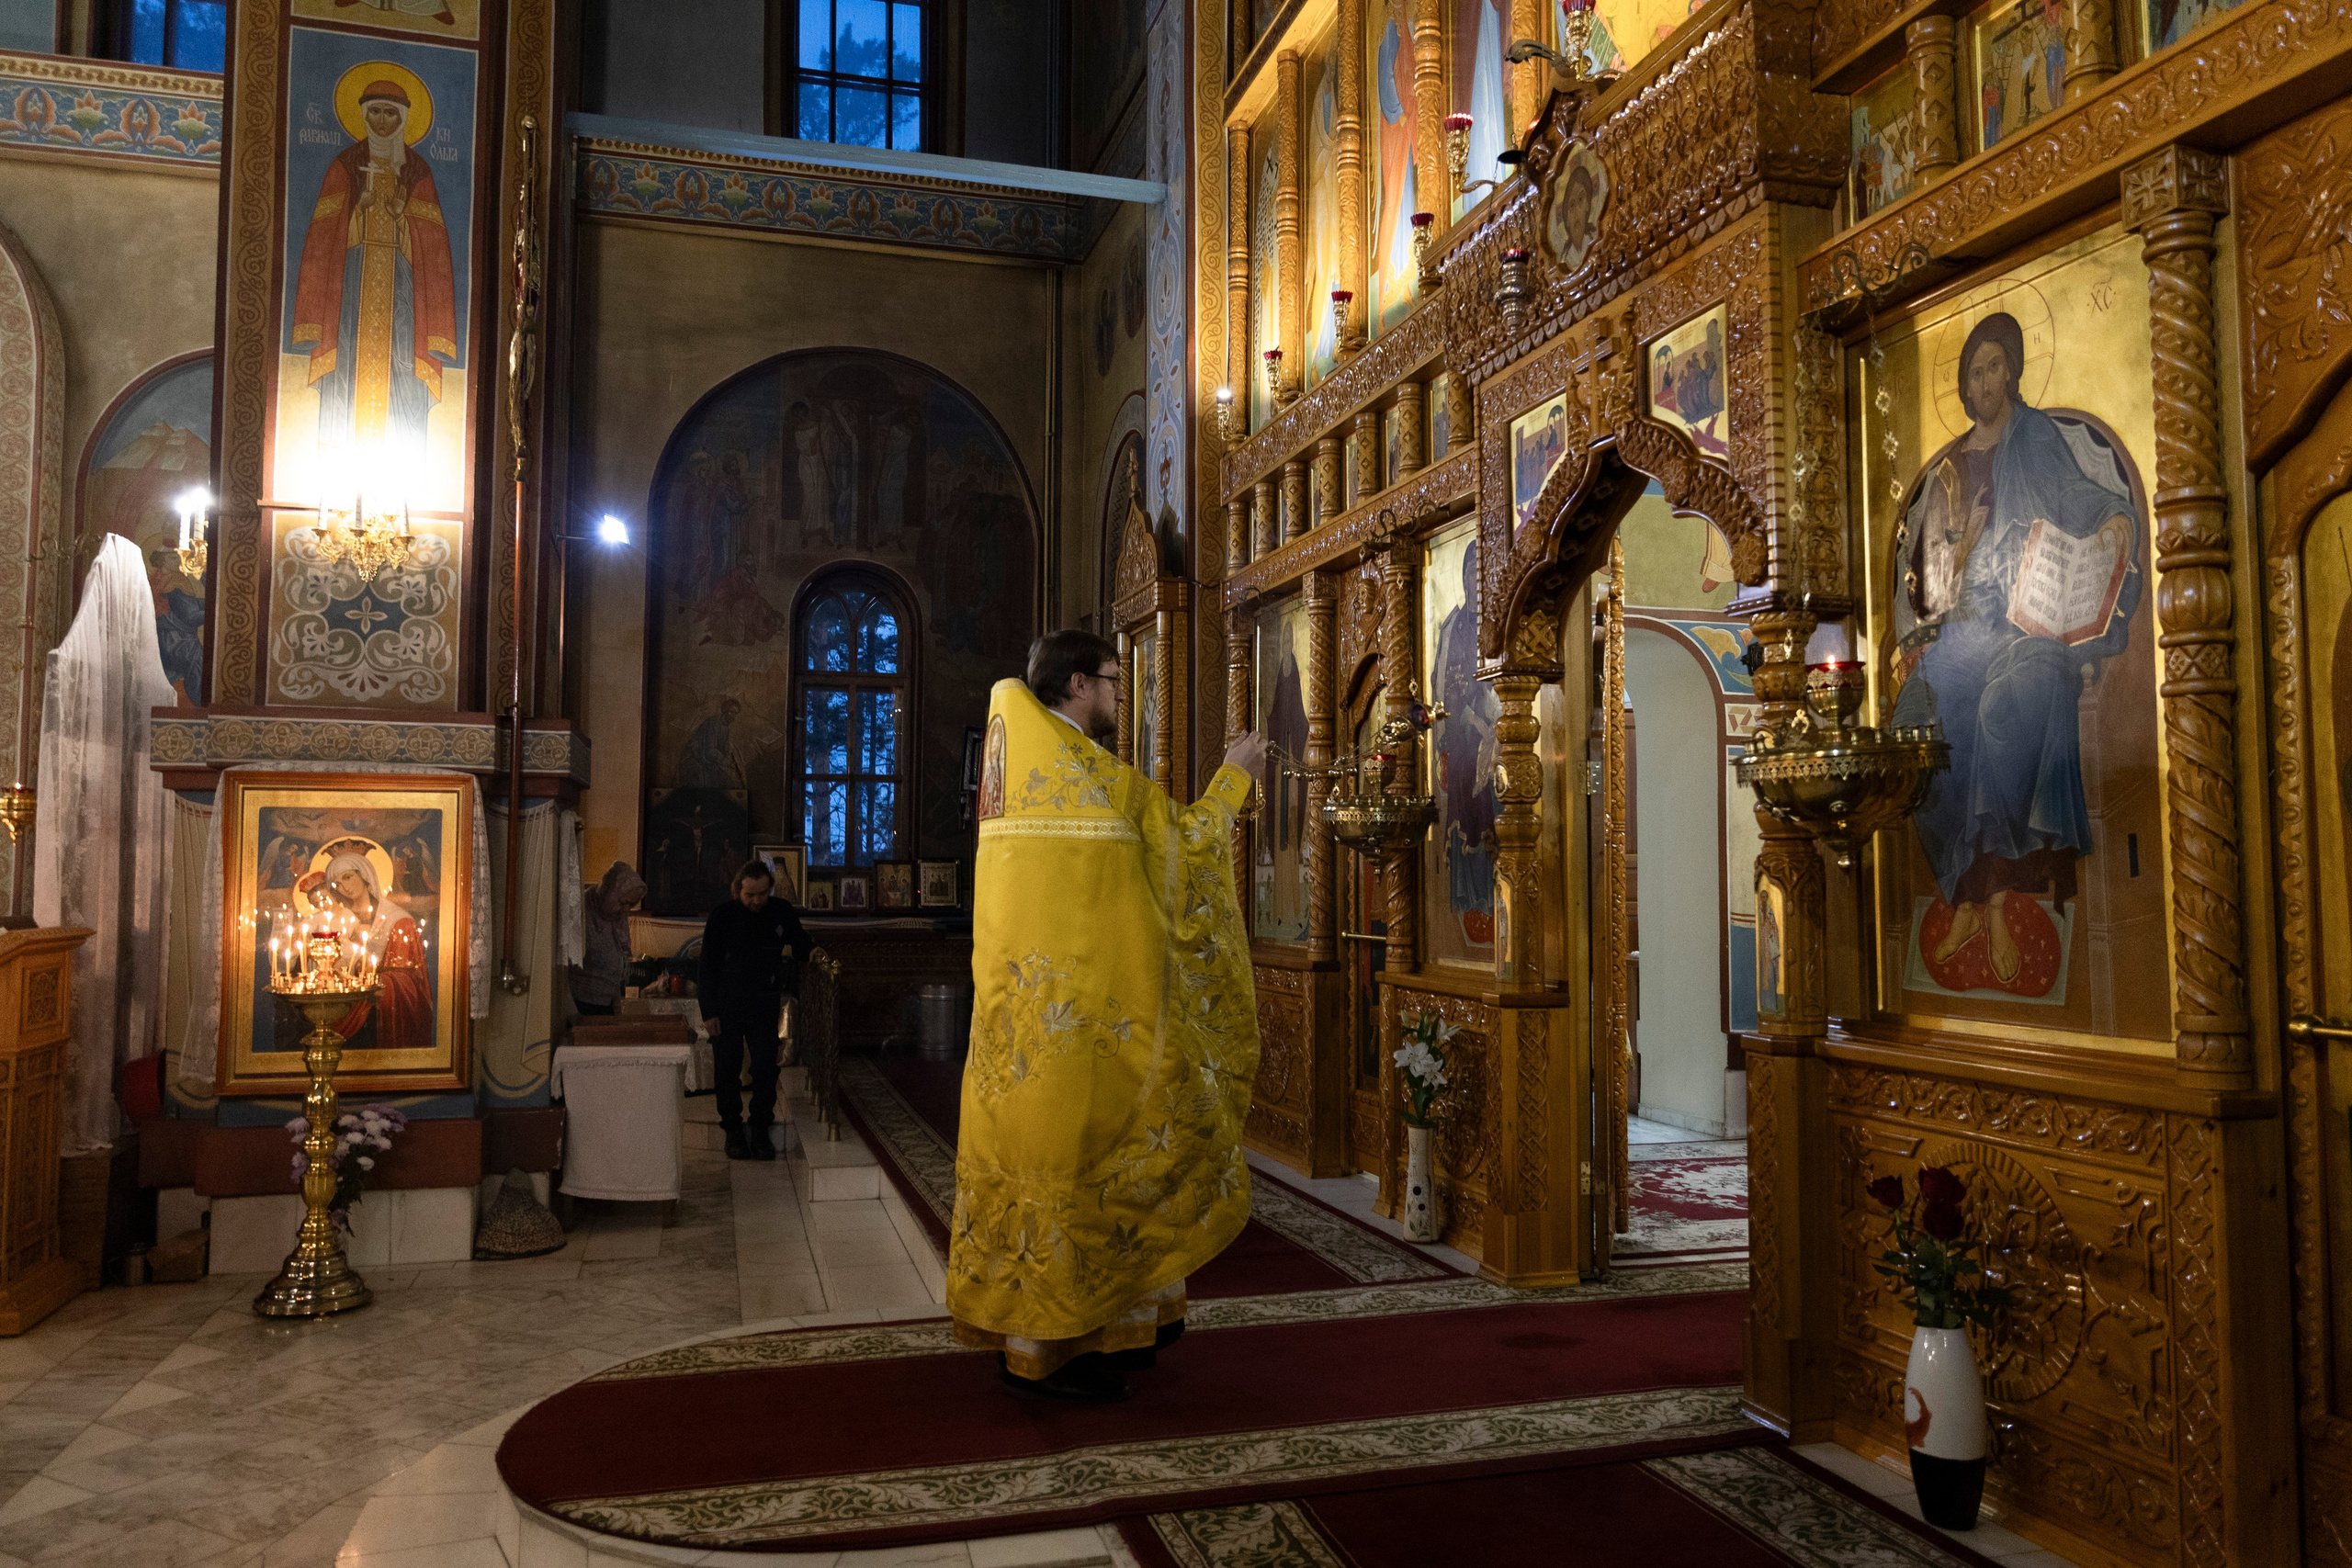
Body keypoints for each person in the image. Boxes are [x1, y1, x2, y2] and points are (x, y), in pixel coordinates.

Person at [949, 629, 1266, 1404]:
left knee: (1049, 1171)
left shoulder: (1013, 759)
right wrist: (1233, 779)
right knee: (1084, 1169)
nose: (1122, 696)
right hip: (1081, 1028)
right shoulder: (1082, 770)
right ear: (1077, 684)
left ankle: (1074, 1332)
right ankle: (1057, 1351)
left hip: (1015, 1024)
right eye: (1114, 681)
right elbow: (1183, 852)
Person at [697, 858, 814, 1160]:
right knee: (727, 1070)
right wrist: (709, 1012)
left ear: (769, 889)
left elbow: (799, 940)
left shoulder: (779, 911)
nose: (757, 900)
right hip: (727, 1007)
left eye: (762, 893)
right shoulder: (722, 916)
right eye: (750, 895)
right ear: (738, 890)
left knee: (764, 1069)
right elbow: (707, 966)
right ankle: (733, 1131)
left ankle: (761, 1129)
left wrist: (814, 951)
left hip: (764, 1005)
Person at [571, 862, 646, 1016]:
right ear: (610, 892)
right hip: (580, 1002)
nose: (626, 909)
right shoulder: (583, 911)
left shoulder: (617, 916)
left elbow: (618, 958)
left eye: (631, 905)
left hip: (607, 1001)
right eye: (623, 902)